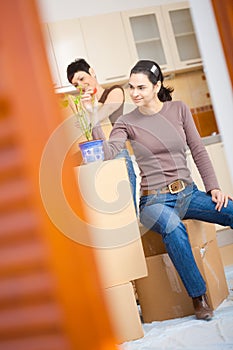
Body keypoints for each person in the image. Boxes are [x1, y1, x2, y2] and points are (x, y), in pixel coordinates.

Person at [91, 59, 233, 321]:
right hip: (153, 201)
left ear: (156, 87)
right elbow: (109, 152)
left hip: (188, 193)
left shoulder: (178, 110)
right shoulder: (126, 121)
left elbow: (199, 150)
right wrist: (94, 121)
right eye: (131, 87)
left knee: (231, 210)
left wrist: (213, 187)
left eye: (141, 87)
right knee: (172, 227)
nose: (134, 93)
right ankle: (199, 297)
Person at [66, 58, 137, 211]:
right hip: (98, 161)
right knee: (110, 215)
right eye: (76, 84)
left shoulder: (115, 91)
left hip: (119, 156)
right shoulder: (83, 105)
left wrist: (89, 110)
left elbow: (104, 113)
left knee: (128, 213)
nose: (81, 85)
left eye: (82, 78)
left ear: (91, 71)